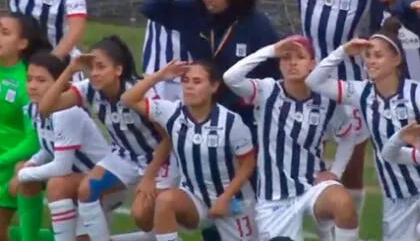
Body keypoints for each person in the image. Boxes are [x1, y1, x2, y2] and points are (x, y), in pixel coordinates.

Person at [252, 0, 372, 221]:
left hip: (349, 86)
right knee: (299, 155)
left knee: (351, 166)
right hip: (307, 84)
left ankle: (347, 230)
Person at [305, 17, 420, 240]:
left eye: (378, 55)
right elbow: (314, 81)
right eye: (368, 56)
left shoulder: (418, 92)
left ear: (397, 59)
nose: (371, 62)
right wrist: (343, 50)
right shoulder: (361, 92)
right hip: (394, 197)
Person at [36, 36, 175, 241]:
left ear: (118, 70)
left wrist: (148, 178)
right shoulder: (89, 89)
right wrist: (71, 69)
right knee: (87, 190)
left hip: (158, 159)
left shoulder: (138, 91)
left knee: (142, 216)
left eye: (101, 67)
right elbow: (45, 107)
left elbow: (168, 138)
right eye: (91, 67)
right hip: (124, 155)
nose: (94, 73)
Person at [223, 36, 362, 241]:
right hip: (275, 198)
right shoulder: (266, 91)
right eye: (286, 57)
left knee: (343, 203)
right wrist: (271, 50)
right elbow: (230, 77)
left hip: (312, 186)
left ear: (312, 64)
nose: (293, 62)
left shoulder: (326, 99)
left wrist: (335, 172)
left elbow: (348, 135)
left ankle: (326, 230)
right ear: (279, 64)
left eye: (300, 57)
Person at [141, 0, 279, 130]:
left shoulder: (257, 26)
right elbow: (150, 8)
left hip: (243, 118)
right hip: (200, 113)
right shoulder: (194, 13)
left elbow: (273, 77)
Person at [121, 60, 258, 241]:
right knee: (165, 201)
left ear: (214, 86)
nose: (189, 86)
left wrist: (225, 197)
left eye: (197, 81)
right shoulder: (172, 112)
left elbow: (248, 164)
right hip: (195, 199)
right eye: (185, 80)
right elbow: (128, 99)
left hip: (233, 203)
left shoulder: (231, 123)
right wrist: (160, 76)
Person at [11, 52, 109, 241]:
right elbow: (48, 148)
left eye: (41, 80)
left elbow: (62, 166)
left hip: (100, 182)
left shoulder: (66, 112)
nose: (32, 86)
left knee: (48, 181)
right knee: (25, 169)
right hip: (73, 182)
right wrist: (30, 164)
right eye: (29, 79)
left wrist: (21, 176)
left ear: (59, 85)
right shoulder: (34, 108)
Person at [0, 14, 53, 241]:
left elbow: (34, 139)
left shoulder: (26, 82)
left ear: (22, 44)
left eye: (4, 32)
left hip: (8, 164)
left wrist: (3, 160)